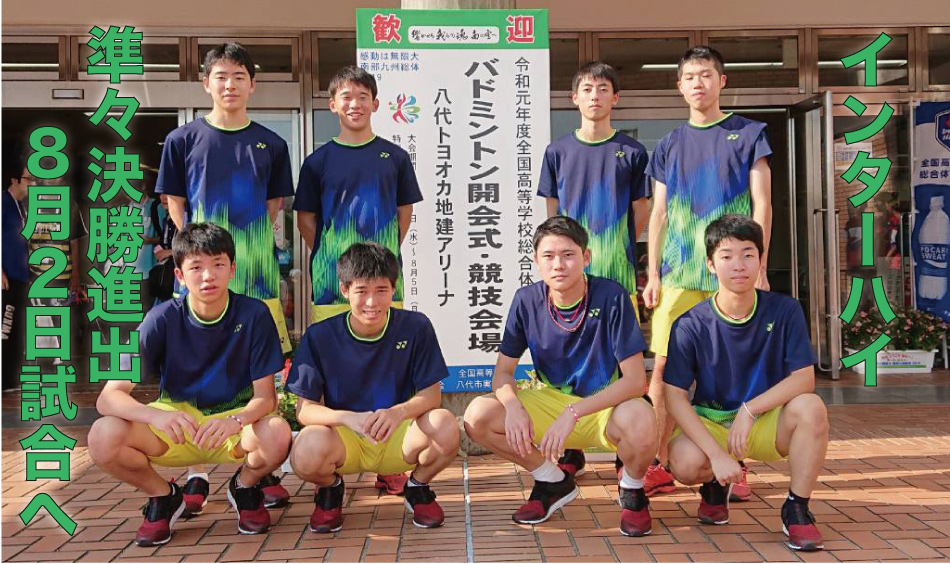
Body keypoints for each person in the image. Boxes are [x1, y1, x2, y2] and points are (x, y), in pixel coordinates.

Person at [87, 223, 292, 546]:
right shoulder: (161, 319)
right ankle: (164, 496)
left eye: (218, 264)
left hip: (232, 427)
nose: (208, 276)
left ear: (232, 269)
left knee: (277, 432)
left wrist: (235, 420)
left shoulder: (254, 314)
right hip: (175, 427)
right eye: (196, 267)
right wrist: (155, 416)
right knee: (102, 435)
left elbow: (266, 398)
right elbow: (108, 397)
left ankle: (245, 486)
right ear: (180, 275)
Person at [156, 42, 294, 512]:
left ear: (252, 84)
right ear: (206, 83)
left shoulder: (272, 144)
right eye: (221, 75)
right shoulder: (183, 140)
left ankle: (260, 469)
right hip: (202, 278)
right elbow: (175, 202)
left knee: (263, 369)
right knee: (194, 364)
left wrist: (246, 251)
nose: (230, 84)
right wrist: (196, 253)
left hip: (257, 275)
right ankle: (194, 470)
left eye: (239, 76)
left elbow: (274, 205)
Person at [464, 216, 657, 537]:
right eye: (549, 256)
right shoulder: (526, 300)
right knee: (478, 416)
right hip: (551, 405)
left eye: (568, 254)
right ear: (536, 261)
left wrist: (574, 412)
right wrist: (512, 406)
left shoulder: (611, 296)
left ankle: (632, 490)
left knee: (642, 417)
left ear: (586, 257)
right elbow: (503, 373)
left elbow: (636, 381)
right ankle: (550, 479)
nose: (558, 264)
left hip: (603, 408)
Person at [644, 46, 773, 500]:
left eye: (706, 75)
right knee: (663, 370)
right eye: (690, 77)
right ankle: (657, 462)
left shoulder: (750, 133)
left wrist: (758, 268)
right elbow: (658, 213)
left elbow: (762, 204)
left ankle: (735, 463)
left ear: (722, 81)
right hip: (678, 275)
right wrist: (653, 273)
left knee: (736, 369)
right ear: (679, 86)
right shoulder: (668, 144)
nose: (698, 83)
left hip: (731, 274)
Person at [293, 65, 423, 495]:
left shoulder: (394, 157)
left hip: (383, 281)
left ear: (375, 103)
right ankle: (330, 458)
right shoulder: (317, 161)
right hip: (332, 284)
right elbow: (307, 221)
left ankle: (389, 461)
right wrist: (334, 262)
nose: (355, 104)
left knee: (389, 367)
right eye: (346, 97)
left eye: (362, 96)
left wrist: (379, 264)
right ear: (333, 105)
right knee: (331, 368)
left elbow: (404, 215)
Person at [664, 214, 828, 552]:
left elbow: (804, 378)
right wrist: (715, 454)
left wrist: (749, 410)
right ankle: (714, 484)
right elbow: (675, 397)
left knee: (811, 408)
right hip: (713, 422)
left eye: (748, 254)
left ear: (760, 259)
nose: (738, 265)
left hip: (764, 421)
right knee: (683, 461)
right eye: (727, 256)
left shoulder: (785, 310)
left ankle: (797, 507)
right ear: (711, 264)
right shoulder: (689, 324)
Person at [284, 242, 458, 532]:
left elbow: (431, 395)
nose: (371, 302)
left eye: (381, 290)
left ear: (394, 289)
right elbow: (305, 410)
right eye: (361, 291)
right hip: (345, 439)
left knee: (445, 424)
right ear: (345, 290)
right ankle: (330, 490)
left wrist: (397, 413)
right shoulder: (320, 336)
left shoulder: (415, 327)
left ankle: (418, 486)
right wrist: (348, 418)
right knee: (306, 448)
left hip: (397, 434)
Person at [537, 61, 651, 485]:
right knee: (567, 353)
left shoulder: (632, 151)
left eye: (604, 89)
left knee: (620, 361)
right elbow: (552, 216)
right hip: (569, 277)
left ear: (615, 98)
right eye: (587, 89)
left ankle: (626, 447)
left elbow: (641, 211)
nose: (595, 96)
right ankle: (571, 449)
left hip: (616, 271)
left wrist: (614, 248)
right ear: (574, 98)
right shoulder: (558, 151)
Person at [2, 140, 32, 392]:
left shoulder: (21, 207)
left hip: (21, 275)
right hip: (6, 276)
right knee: (5, 327)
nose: (32, 185)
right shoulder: (3, 202)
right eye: (29, 180)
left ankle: (10, 378)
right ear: (15, 180)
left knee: (17, 328)